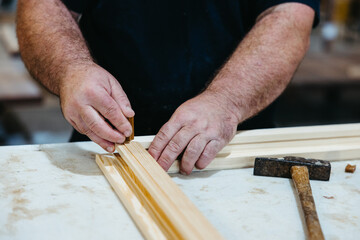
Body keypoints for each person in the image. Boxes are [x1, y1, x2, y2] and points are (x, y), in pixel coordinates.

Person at [17, 0, 319, 175]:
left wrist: (226, 100)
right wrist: (72, 69)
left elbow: (290, 14)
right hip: (105, 146)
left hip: (234, 148)